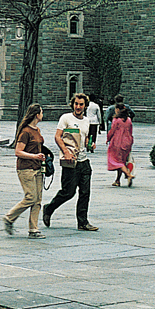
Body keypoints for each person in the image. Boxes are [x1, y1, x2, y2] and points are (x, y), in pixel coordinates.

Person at [42, 93, 98, 232]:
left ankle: (83, 222)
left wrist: (90, 145)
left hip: (83, 161)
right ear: (72, 104)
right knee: (68, 192)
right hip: (70, 161)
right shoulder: (65, 118)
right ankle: (49, 208)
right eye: (76, 104)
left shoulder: (87, 121)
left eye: (81, 104)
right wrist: (66, 152)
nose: (78, 107)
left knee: (85, 192)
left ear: (85, 106)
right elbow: (58, 136)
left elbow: (84, 139)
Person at [2, 103, 47, 239]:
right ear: (36, 114)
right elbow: (18, 152)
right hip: (26, 168)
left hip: (38, 167)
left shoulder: (37, 130)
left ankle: (33, 229)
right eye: (41, 112)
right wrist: (34, 156)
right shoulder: (25, 132)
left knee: (38, 200)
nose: (42, 114)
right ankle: (9, 217)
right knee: (30, 197)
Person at [107, 104, 135, 187]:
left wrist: (108, 138)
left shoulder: (116, 120)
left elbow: (112, 130)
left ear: (117, 110)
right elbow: (131, 131)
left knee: (116, 161)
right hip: (127, 142)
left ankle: (128, 174)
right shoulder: (129, 120)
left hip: (117, 142)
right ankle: (117, 180)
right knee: (122, 161)